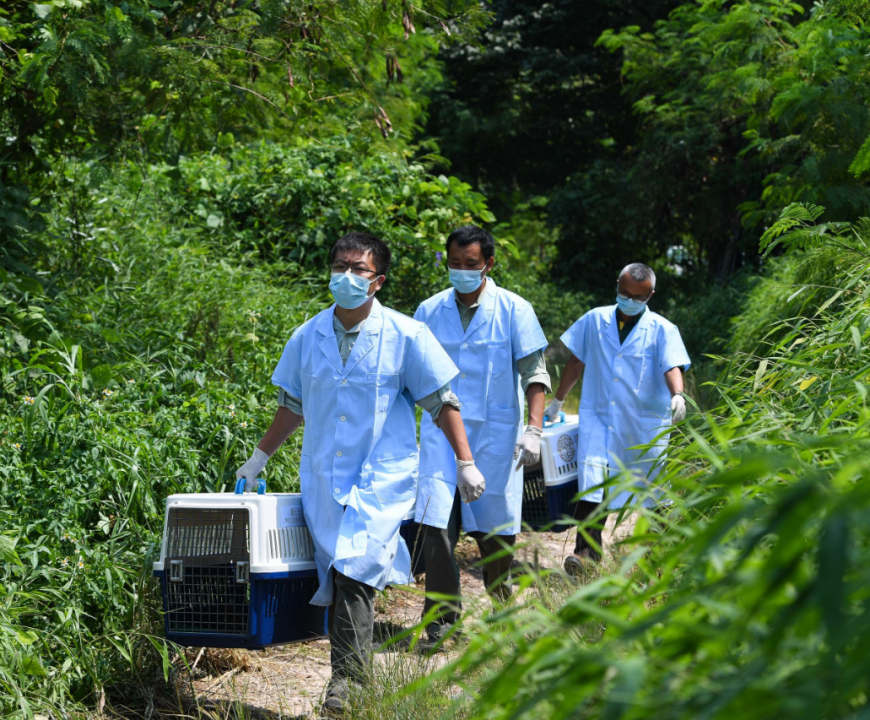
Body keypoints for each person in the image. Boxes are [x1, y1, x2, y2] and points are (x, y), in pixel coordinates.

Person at [234, 232, 485, 715]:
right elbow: (292, 406)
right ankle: (354, 678)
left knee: (352, 569)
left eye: (358, 269)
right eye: (339, 266)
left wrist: (465, 460)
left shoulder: (406, 335)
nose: (346, 277)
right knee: (341, 571)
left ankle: (346, 685)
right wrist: (259, 457)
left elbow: (440, 402)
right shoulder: (308, 335)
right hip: (324, 476)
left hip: (382, 476)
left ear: (378, 281)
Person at [412, 225, 550, 647]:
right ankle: (440, 622)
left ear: (488, 264)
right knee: (436, 528)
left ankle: (502, 602)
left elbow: (535, 373)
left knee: (496, 534)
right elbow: (411, 371)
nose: (461, 271)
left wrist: (534, 428)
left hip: (494, 437)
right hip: (440, 438)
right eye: (454, 264)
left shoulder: (514, 309)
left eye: (470, 265)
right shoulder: (429, 310)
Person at [547, 262, 690, 576]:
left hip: (642, 424)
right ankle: (584, 556)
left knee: (651, 488)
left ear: (650, 295)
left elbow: (672, 366)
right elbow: (575, 361)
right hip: (598, 417)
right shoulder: (594, 320)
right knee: (592, 484)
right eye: (624, 293)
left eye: (638, 297)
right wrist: (557, 401)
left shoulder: (663, 330)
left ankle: (656, 555)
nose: (630, 300)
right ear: (617, 285)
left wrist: (677, 394)